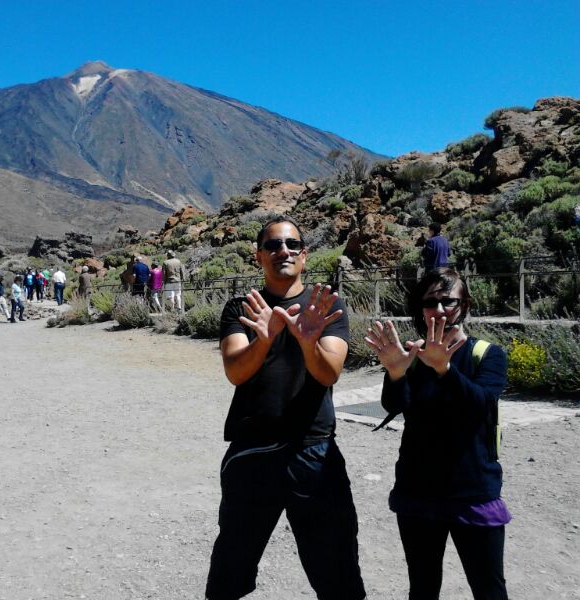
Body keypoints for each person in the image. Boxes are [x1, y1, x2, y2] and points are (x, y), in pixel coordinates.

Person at [205, 216, 365, 600]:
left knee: (337, 568)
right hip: (253, 451)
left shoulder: (326, 306)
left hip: (313, 452)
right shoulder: (242, 308)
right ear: (259, 256)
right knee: (231, 569)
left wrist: (309, 342)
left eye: (292, 245)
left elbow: (329, 374)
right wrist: (265, 339)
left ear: (305, 255)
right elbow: (236, 372)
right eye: (274, 245)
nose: (284, 252)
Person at [365, 267, 509, 599]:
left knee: (488, 587)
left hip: (472, 492)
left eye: (449, 301)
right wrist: (396, 372)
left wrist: (443, 368)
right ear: (420, 308)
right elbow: (394, 405)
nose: (440, 310)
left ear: (466, 304)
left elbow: (479, 405)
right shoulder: (414, 357)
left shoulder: (487, 355)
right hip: (418, 493)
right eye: (431, 302)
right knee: (423, 586)